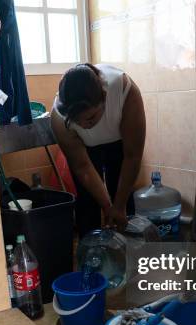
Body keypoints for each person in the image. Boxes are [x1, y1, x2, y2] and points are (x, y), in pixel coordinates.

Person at [51, 63, 145, 236]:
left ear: (104, 97)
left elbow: (133, 156)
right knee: (88, 202)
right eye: (77, 122)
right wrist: (108, 207)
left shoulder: (124, 90)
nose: (85, 126)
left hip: (119, 141)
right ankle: (91, 254)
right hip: (85, 148)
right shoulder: (59, 117)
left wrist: (119, 206)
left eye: (91, 117)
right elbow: (82, 167)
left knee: (122, 198)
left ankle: (129, 250)